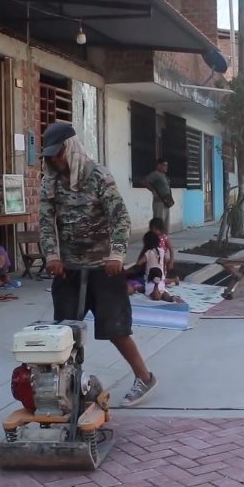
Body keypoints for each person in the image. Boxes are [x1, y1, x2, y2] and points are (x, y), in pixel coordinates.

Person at [39, 122, 157, 408]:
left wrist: (117, 254)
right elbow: (45, 223)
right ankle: (63, 390)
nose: (55, 160)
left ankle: (144, 377)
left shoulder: (98, 176)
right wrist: (52, 256)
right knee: (65, 333)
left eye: (58, 153)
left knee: (116, 329)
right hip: (68, 268)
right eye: (50, 156)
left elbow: (120, 218)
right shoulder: (50, 182)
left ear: (71, 148)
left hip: (105, 267)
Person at [143, 159, 173, 233]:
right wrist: (153, 191)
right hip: (159, 201)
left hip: (166, 201)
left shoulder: (164, 176)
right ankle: (156, 239)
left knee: (166, 222)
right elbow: (145, 182)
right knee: (158, 222)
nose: (166, 167)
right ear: (159, 165)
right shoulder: (155, 174)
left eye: (167, 165)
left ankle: (164, 240)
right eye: (164, 165)